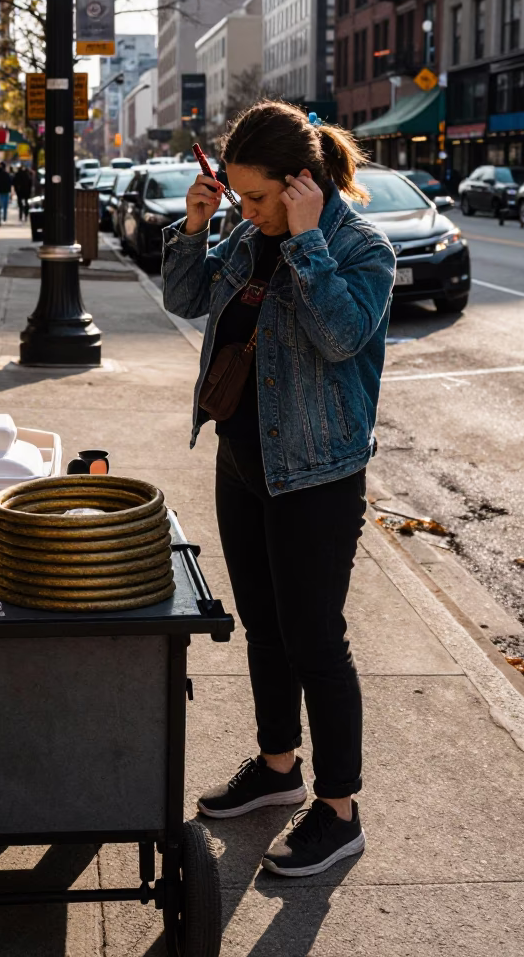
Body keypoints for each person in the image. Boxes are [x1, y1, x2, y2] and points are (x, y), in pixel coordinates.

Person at [162, 101, 395, 878]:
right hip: (243, 459)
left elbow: (339, 337)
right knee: (263, 626)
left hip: (318, 476)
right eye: (236, 196)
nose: (245, 210)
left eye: (256, 198)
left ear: (302, 183)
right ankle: (277, 767)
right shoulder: (243, 236)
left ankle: (339, 812)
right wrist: (195, 228)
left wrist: (304, 243)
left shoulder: (361, 249)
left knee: (316, 640)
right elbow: (186, 301)